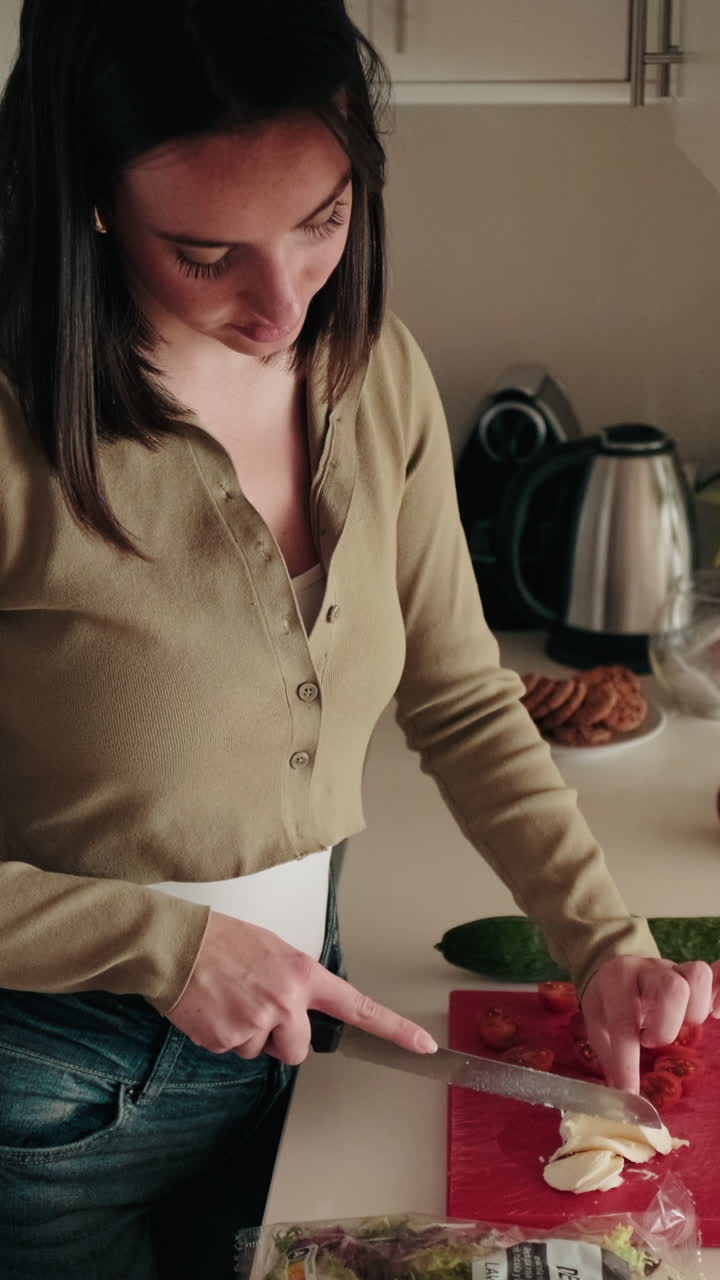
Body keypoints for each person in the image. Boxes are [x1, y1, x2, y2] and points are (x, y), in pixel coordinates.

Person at [0, 2, 715, 1277]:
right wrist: (162, 945)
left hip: (302, 1027)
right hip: (48, 1089)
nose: (285, 304)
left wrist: (602, 938)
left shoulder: (372, 371)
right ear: (90, 200)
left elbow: (459, 699)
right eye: (206, 252)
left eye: (323, 222)